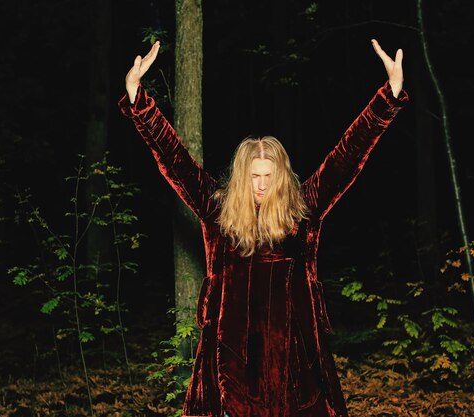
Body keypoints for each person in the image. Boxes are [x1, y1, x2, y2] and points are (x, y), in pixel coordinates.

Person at [119, 39, 408, 417]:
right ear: (243, 175)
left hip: (294, 359)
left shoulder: (301, 209)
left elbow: (346, 157)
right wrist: (139, 100)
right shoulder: (218, 210)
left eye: (268, 176)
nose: (260, 184)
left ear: (281, 175)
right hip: (231, 362)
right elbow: (176, 162)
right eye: (254, 176)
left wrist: (389, 97)